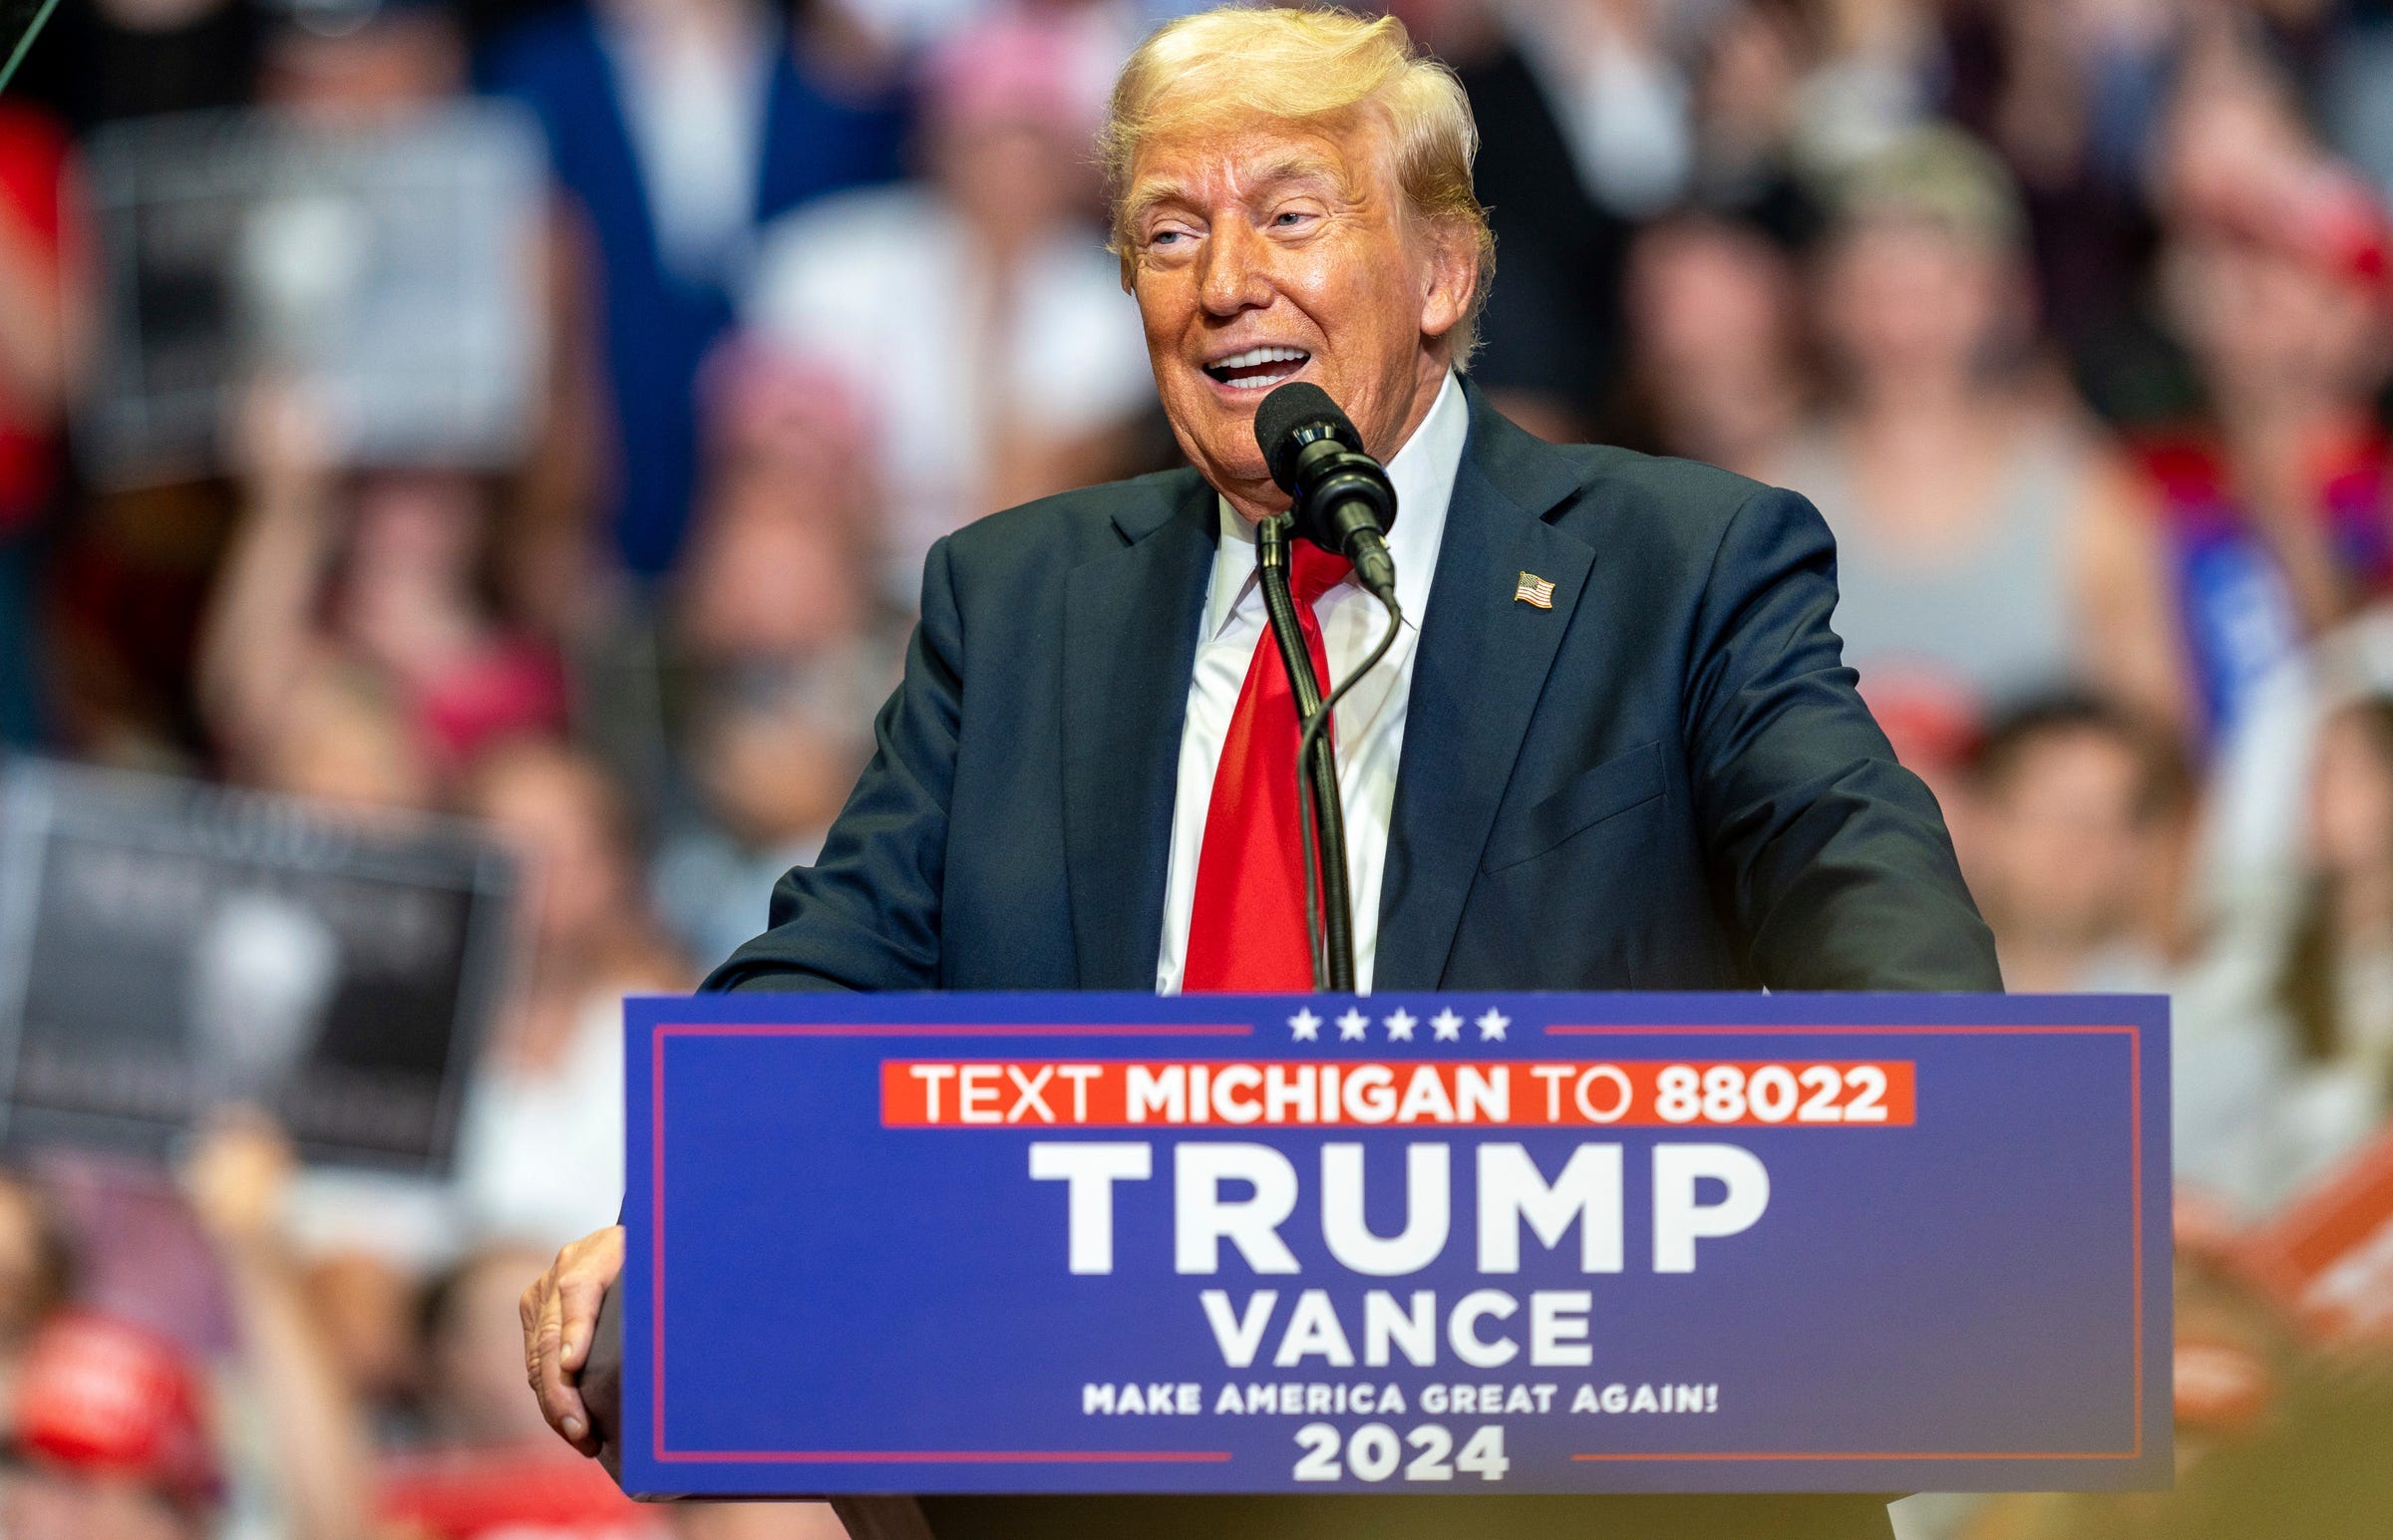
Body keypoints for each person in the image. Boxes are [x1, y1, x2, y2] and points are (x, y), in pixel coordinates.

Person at [522, 9, 1998, 1538]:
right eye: (1169, 233)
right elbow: (831, 964)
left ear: (1443, 273)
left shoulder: (1678, 565)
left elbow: (1859, 883)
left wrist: (1935, 1141)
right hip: (1106, 1465)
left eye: (1290, 216)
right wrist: (687, 1213)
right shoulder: (1016, 603)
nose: (1225, 282)